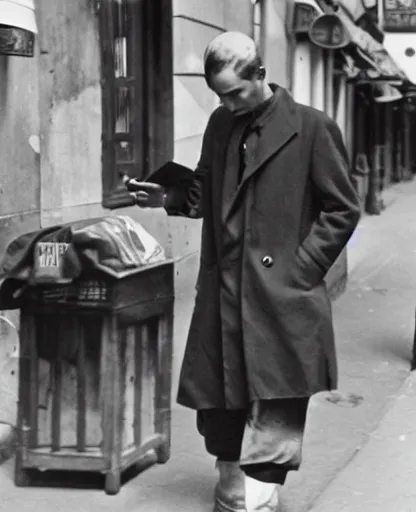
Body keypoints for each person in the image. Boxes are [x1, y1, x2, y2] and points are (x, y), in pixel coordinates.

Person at [126, 32, 360, 512]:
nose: (229, 103)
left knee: (276, 397)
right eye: (219, 95)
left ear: (260, 74)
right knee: (222, 400)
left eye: (235, 92)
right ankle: (232, 482)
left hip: (280, 291)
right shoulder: (220, 124)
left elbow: (342, 208)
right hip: (225, 288)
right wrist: (166, 197)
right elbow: (205, 192)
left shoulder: (312, 128)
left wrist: (304, 267)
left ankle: (258, 494)